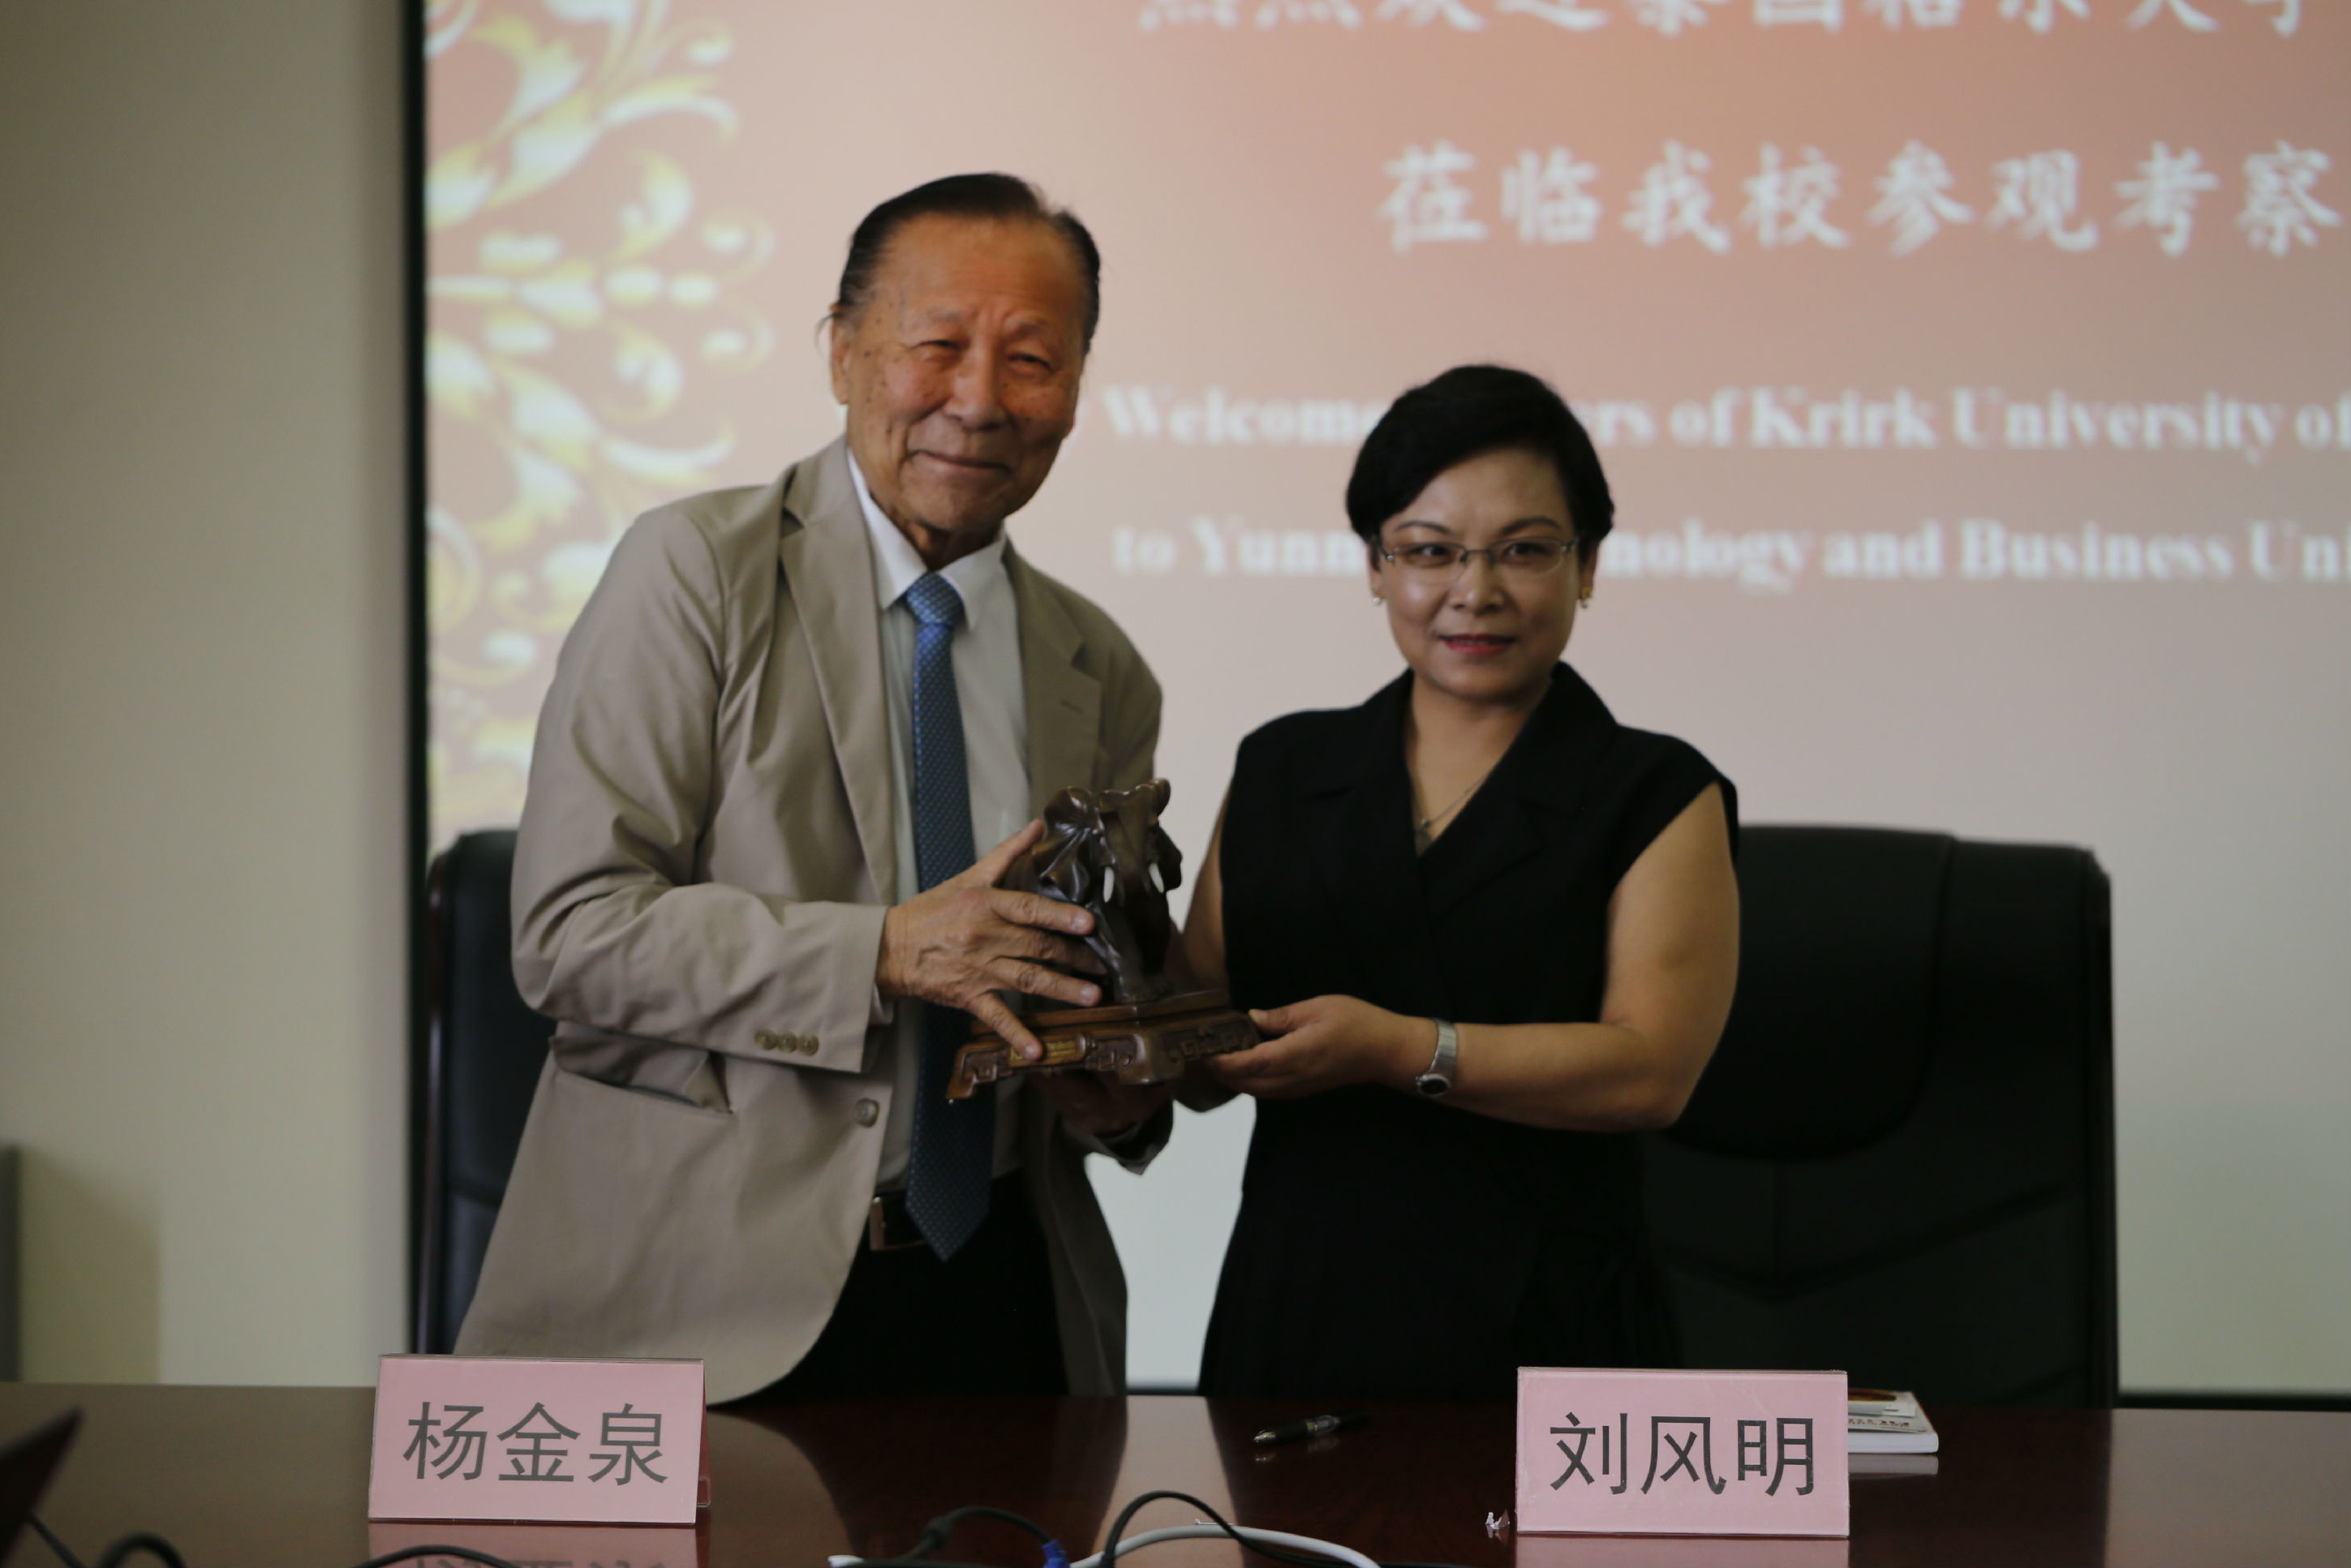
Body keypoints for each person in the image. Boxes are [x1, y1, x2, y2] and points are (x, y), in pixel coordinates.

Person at [457, 174, 1173, 1403]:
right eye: (937, 346)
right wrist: (884, 953)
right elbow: (570, 932)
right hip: (702, 1304)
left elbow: (1098, 998)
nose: (979, 401)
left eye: (1032, 360)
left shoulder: (1098, 665)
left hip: (1004, 1301)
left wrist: (1116, 1094)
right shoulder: (695, 573)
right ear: (842, 352)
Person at [1182, 364, 1740, 1399]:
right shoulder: (1282, 768)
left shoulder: (1655, 790)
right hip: (1298, 1310)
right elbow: (1201, 1041)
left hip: (1550, 1326)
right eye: (1429, 550)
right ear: (1375, 565)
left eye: (1523, 550)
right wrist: (1097, 1066)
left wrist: (1394, 1048)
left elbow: (1649, 1072)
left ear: (1586, 565)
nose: (1473, 592)